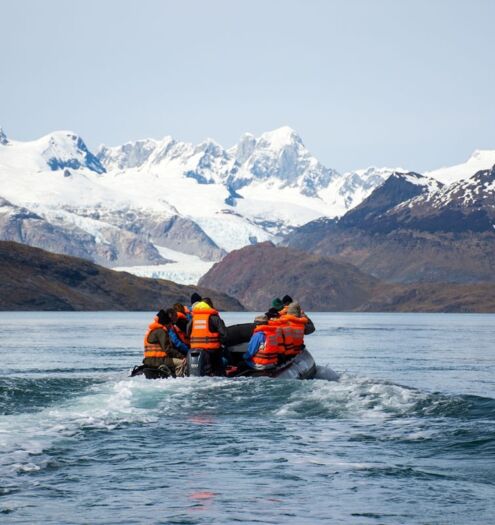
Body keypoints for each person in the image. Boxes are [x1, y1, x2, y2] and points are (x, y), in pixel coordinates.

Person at [187, 297, 227, 376]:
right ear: (210, 306)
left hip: (194, 349)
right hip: (212, 351)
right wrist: (222, 345)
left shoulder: (193, 319)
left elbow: (188, 332)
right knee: (220, 367)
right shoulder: (215, 319)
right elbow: (224, 335)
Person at [143, 309, 187, 377]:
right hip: (158, 360)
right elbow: (167, 349)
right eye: (170, 323)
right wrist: (182, 356)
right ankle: (178, 378)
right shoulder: (161, 332)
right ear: (166, 323)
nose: (171, 326)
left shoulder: (153, 330)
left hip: (149, 360)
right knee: (182, 362)